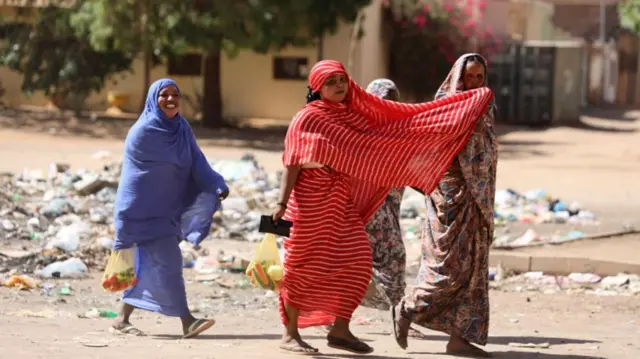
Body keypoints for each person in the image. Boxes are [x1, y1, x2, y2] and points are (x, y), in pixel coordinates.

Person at [273, 60, 494, 355]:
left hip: (340, 202)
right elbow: (293, 164)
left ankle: (340, 329)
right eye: (330, 82)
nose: (338, 86)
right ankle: (290, 334)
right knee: (302, 268)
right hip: (310, 204)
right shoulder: (307, 118)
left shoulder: (351, 117)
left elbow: (387, 138)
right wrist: (280, 203)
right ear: (316, 88)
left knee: (358, 260)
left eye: (342, 80)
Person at [391, 53, 498, 358]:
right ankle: (408, 308)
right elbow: (427, 150)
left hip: (477, 202)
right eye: (469, 77)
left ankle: (459, 338)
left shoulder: (484, 108)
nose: (475, 83)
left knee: (473, 270)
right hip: (451, 200)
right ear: (457, 78)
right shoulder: (446, 110)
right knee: (448, 268)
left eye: (480, 77)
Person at [111, 78, 229, 338]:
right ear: (154, 99)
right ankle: (187, 321)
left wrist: (215, 183)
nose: (170, 99)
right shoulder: (143, 131)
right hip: (140, 211)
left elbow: (196, 160)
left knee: (152, 265)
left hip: (166, 210)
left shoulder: (182, 128)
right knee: (169, 262)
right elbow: (141, 176)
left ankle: (121, 318)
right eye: (164, 95)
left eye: (175, 94)